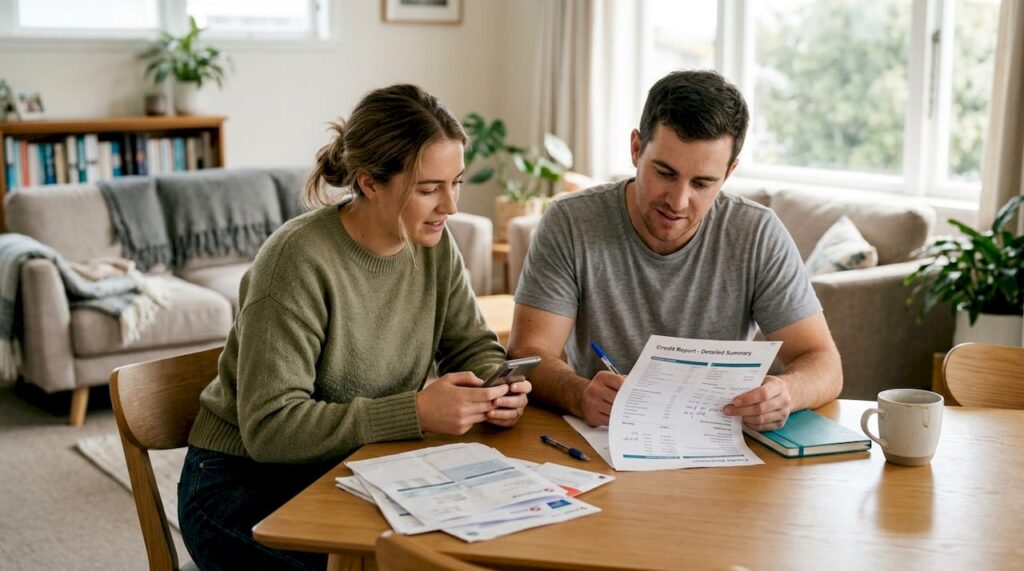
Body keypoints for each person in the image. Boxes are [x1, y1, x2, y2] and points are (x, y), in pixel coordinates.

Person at [178, 84, 532, 570]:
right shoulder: (296, 262)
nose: (450, 206)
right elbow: (270, 429)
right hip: (240, 481)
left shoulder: (434, 247)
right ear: (369, 183)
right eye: (429, 189)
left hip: (357, 465)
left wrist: (497, 385)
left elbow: (471, 345)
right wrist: (415, 412)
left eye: (457, 182)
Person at [507, 70, 841, 432]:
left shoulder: (757, 233)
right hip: (602, 437)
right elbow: (529, 351)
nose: (678, 202)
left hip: (719, 438)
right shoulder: (571, 221)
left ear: (728, 173)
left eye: (702, 183)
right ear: (636, 149)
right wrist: (579, 393)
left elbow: (824, 362)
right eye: (665, 173)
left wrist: (786, 391)